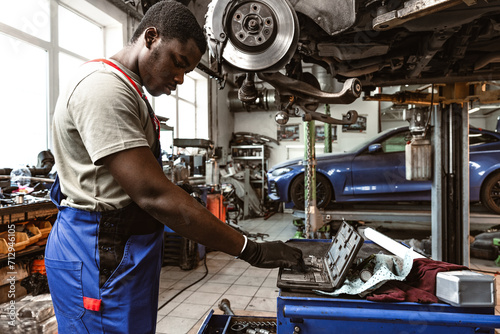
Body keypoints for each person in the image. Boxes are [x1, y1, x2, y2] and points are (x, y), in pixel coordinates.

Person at [46, 1, 304, 333]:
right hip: (98, 252)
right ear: (150, 37)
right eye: (178, 63)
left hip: (119, 250)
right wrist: (249, 249)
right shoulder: (104, 89)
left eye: (187, 71)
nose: (180, 79)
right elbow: (153, 195)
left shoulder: (129, 90)